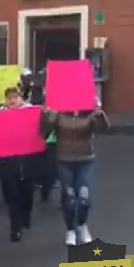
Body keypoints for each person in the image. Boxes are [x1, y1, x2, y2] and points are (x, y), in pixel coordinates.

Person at [41, 97, 109, 246]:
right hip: (64, 159)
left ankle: (83, 226)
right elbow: (43, 131)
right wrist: (49, 114)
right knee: (69, 198)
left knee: (84, 196)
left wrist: (99, 114)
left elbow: (103, 129)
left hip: (85, 158)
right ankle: (70, 230)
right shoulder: (59, 112)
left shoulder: (89, 112)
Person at [0, 87, 36, 242]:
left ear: (21, 98)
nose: (12, 100)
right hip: (8, 160)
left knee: (27, 194)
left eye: (15, 97)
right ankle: (15, 227)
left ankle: (25, 214)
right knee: (11, 194)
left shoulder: (30, 112)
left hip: (27, 160)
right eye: (9, 98)